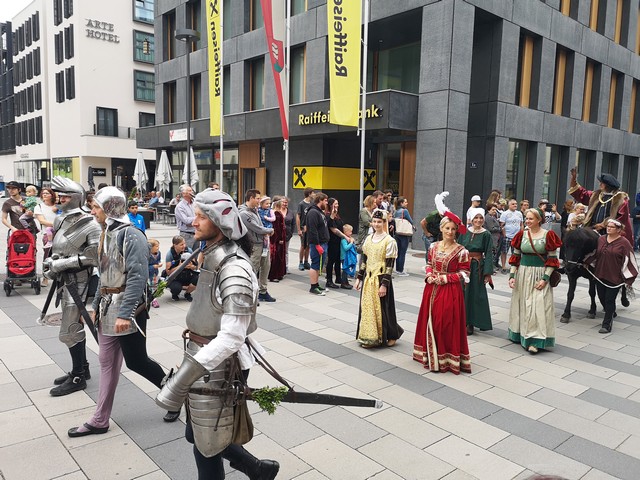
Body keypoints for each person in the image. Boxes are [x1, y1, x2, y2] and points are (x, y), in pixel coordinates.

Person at [155, 188, 279, 480]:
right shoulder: (212, 255)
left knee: (206, 446)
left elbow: (232, 337)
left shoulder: (234, 268)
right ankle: (257, 469)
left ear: (220, 222)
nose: (193, 221)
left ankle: (257, 469)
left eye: (201, 217)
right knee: (196, 434)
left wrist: (182, 378)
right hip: (204, 355)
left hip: (222, 363)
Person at [68, 186, 179, 437]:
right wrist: (95, 306)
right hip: (108, 306)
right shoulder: (106, 232)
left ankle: (174, 394)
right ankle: (100, 419)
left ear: (110, 208)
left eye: (96, 207)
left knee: (137, 361)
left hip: (128, 308)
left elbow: (138, 277)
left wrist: (125, 313)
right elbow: (105, 275)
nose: (92, 211)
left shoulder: (132, 235)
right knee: (106, 362)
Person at [41, 177, 101, 396]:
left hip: (79, 281)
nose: (61, 199)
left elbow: (94, 257)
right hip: (64, 279)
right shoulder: (60, 220)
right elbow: (59, 248)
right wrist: (52, 262)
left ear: (76, 198)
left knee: (69, 330)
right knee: (73, 327)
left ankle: (78, 377)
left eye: (65, 196)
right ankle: (82, 368)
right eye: (60, 196)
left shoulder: (91, 224)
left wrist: (61, 264)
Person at [413, 202, 471, 374]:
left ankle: (445, 358)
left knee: (445, 322)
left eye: (453, 229)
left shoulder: (461, 251)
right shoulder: (433, 246)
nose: (450, 232)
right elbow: (429, 264)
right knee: (429, 320)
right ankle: (430, 355)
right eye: (447, 228)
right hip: (431, 288)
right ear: (441, 229)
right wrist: (429, 274)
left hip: (450, 291)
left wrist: (445, 278)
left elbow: (465, 272)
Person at [507, 208, 562, 354]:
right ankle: (519, 333)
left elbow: (552, 260)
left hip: (539, 274)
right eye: (526, 218)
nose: (527, 221)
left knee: (538, 307)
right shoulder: (521, 235)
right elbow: (515, 257)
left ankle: (535, 340)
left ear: (539, 220)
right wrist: (512, 276)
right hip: (523, 273)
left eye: (531, 218)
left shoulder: (548, 235)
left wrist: (545, 279)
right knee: (522, 304)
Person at [354, 209, 403, 347]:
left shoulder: (389, 241)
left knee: (384, 310)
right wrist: (359, 278)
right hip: (368, 279)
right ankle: (369, 336)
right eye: (374, 221)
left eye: (379, 222)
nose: (376, 224)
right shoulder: (368, 239)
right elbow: (364, 260)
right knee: (367, 308)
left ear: (384, 222)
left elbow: (390, 265)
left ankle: (392, 335)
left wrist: (384, 284)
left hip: (380, 278)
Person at [584, 219, 638, 333]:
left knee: (609, 300)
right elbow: (596, 254)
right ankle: (611, 312)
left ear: (618, 230)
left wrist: (628, 278)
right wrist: (586, 262)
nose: (608, 228)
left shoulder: (624, 242)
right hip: (600, 274)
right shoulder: (601, 239)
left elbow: (630, 259)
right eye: (608, 226)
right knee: (601, 297)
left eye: (612, 227)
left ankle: (606, 324)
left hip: (615, 277)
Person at [568, 168, 634, 245]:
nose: (600, 185)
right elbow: (581, 194)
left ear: (608, 186)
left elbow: (621, 218)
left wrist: (604, 225)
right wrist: (573, 179)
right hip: (592, 229)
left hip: (609, 232)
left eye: (602, 183)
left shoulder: (620, 200)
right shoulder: (596, 195)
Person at [459, 209, 494, 335]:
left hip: (477, 267)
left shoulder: (486, 234)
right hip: (464, 265)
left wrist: (487, 273)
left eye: (481, 218)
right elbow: (457, 247)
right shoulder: (464, 231)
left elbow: (489, 253)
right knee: (462, 292)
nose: (478, 220)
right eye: (476, 218)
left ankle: (471, 322)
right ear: (472, 219)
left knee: (474, 294)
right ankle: (461, 320)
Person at [239, 189, 276, 302]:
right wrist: (269, 230)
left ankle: (263, 291)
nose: (259, 201)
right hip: (254, 245)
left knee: (266, 266)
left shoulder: (255, 210)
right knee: (252, 269)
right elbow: (256, 228)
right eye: (258, 198)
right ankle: (249, 293)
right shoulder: (244, 213)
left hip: (263, 244)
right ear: (251, 198)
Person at [306, 192, 330, 295]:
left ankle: (316, 284)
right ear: (320, 200)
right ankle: (313, 287)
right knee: (315, 265)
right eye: (325, 200)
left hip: (323, 242)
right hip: (318, 243)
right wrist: (317, 245)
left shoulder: (319, 212)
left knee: (318, 265)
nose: (327, 203)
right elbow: (313, 230)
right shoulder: (313, 212)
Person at [326, 197, 351, 288]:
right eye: (335, 203)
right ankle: (329, 280)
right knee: (331, 260)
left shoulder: (337, 215)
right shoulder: (328, 215)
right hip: (332, 241)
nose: (337, 205)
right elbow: (333, 229)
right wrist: (345, 236)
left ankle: (338, 278)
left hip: (338, 241)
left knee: (337, 260)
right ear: (331, 205)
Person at [165, 235, 199, 301]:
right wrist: (180, 266)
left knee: (197, 278)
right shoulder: (170, 254)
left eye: (184, 243)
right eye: (181, 245)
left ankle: (187, 293)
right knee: (176, 288)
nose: (184, 246)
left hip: (187, 274)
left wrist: (191, 267)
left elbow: (195, 267)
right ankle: (175, 294)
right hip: (176, 277)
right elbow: (168, 272)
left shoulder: (189, 250)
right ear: (175, 245)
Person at [499, 199, 524, 273]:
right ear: (509, 205)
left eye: (516, 204)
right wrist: (504, 235)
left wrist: (521, 233)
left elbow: (521, 224)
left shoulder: (519, 213)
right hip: (507, 236)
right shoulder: (505, 214)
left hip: (516, 236)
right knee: (504, 252)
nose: (515, 205)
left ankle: (514, 266)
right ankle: (503, 266)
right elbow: (502, 225)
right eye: (513, 204)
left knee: (516, 252)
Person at [392, 196, 414, 276]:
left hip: (397, 233)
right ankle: (400, 270)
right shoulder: (405, 211)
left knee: (398, 252)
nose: (407, 203)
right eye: (405, 202)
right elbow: (410, 220)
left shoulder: (396, 211)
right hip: (404, 233)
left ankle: (398, 269)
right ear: (401, 203)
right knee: (403, 252)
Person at [268, 198, 286, 282]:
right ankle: (274, 274)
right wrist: (280, 238)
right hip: (277, 239)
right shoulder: (276, 214)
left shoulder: (275, 213)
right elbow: (278, 227)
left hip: (277, 238)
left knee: (278, 256)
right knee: (277, 257)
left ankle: (278, 273)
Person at [296, 187, 314, 270]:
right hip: (303, 228)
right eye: (313, 193)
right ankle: (301, 262)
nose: (314, 194)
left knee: (308, 246)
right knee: (303, 245)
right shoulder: (301, 204)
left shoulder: (312, 204)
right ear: (309, 194)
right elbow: (298, 216)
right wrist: (299, 229)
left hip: (310, 228)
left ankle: (306, 261)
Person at [484, 203, 502, 271]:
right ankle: (491, 267)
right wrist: (500, 228)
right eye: (493, 210)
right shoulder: (488, 217)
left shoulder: (493, 217)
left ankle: (494, 265)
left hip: (495, 237)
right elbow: (491, 228)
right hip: (491, 237)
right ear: (489, 210)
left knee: (495, 251)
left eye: (495, 210)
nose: (494, 211)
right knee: (491, 252)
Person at [281, 196, 296, 273]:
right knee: (278, 251)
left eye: (286, 202)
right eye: (283, 202)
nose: (284, 204)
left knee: (286, 251)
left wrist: (291, 233)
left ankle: (286, 266)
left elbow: (293, 224)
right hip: (278, 235)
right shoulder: (277, 211)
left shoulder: (290, 212)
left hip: (287, 235)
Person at [340, 224, 357, 289]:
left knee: (346, 270)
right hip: (344, 257)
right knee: (345, 270)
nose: (351, 233)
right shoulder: (343, 240)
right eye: (350, 231)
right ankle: (343, 283)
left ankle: (346, 282)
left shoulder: (347, 239)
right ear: (345, 232)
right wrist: (351, 242)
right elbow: (346, 248)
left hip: (347, 257)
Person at [148, 238, 162, 308]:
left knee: (154, 286)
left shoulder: (158, 253)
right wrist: (153, 266)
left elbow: (158, 260)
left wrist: (159, 263)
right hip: (148, 274)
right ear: (151, 247)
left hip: (154, 273)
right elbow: (145, 266)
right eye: (156, 246)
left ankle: (154, 299)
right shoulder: (147, 255)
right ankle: (149, 298)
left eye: (158, 246)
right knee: (148, 286)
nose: (158, 248)